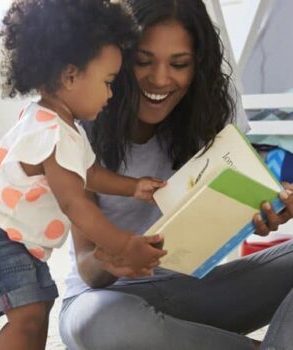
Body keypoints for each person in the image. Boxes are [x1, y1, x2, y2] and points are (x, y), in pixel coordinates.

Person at [59, 0, 293, 349]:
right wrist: (114, 258)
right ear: (119, 60)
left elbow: (229, 207)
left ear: (197, 65)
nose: (160, 79)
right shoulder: (83, 121)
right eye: (143, 61)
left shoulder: (213, 107)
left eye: (179, 64)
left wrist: (263, 212)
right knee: (100, 325)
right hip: (111, 301)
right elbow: (88, 269)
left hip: (200, 291)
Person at [0, 1, 168, 349]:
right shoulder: (51, 132)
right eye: (108, 82)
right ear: (70, 76)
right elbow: (75, 203)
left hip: (10, 236)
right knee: (27, 316)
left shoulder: (63, 127)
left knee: (40, 306)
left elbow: (91, 174)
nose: (112, 94)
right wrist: (125, 244)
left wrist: (134, 187)